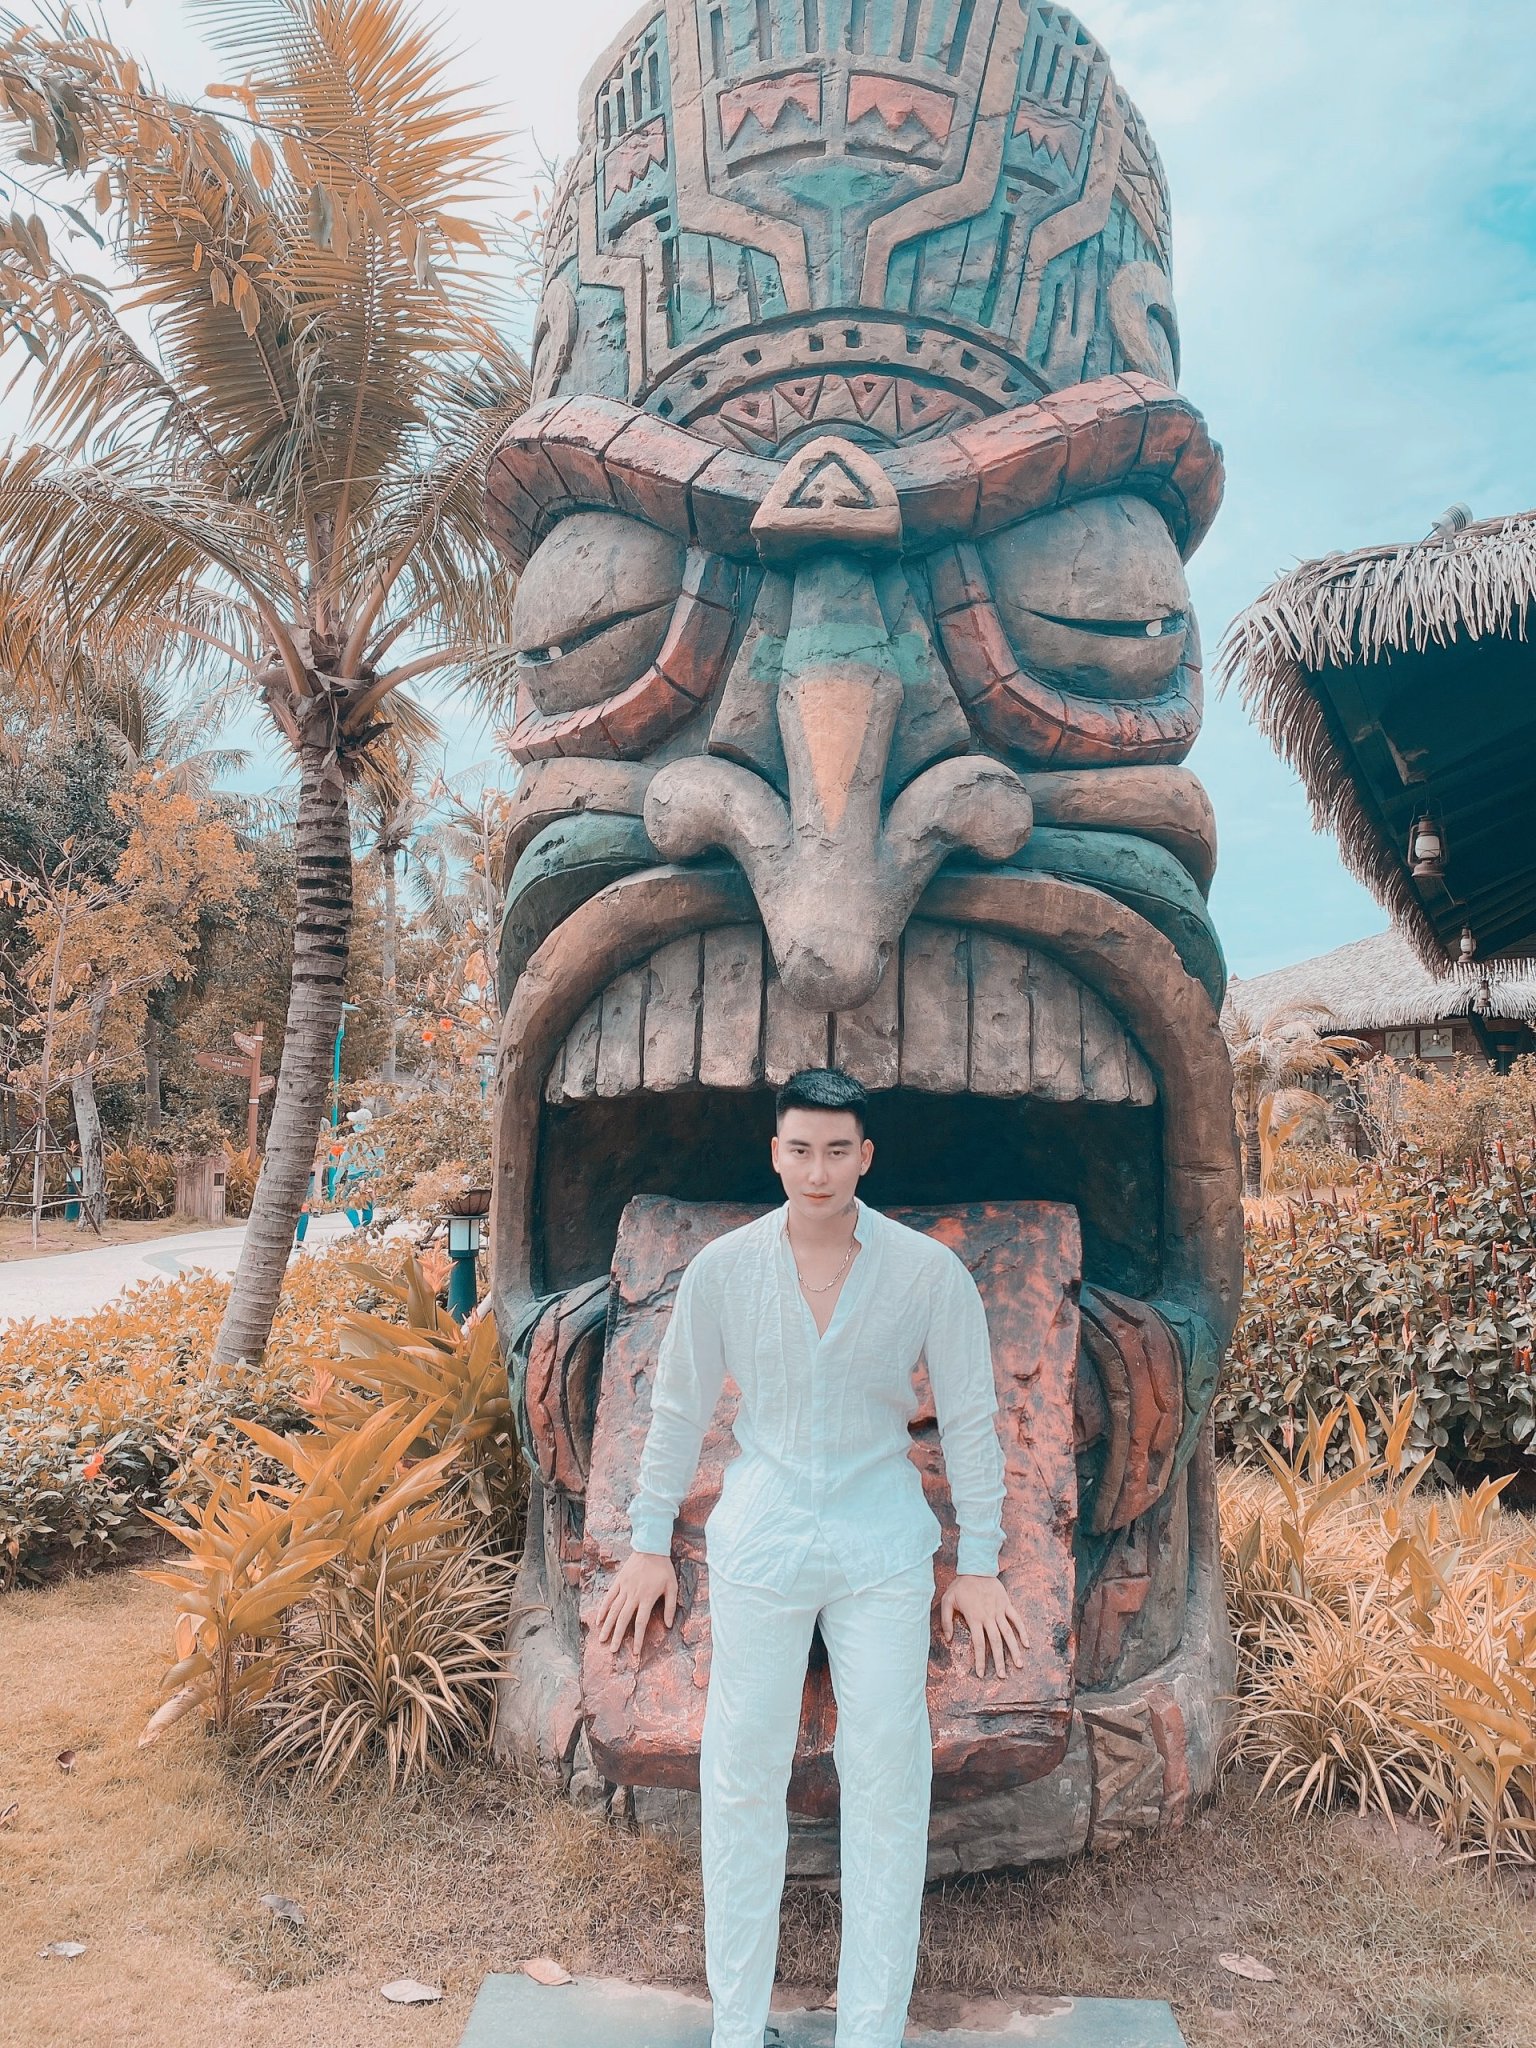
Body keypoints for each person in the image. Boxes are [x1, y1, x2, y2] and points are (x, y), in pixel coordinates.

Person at [593, 1067, 1029, 2048]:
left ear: (865, 1155)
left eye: (837, 1150)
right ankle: (736, 2028)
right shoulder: (724, 1269)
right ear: (776, 1152)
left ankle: (871, 2030)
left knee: (888, 1782)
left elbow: (971, 1417)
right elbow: (679, 1409)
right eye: (801, 1149)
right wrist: (648, 1542)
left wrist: (982, 1560)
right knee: (741, 1778)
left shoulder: (926, 1272)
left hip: (883, 1546)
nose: (819, 1169)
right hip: (761, 1541)